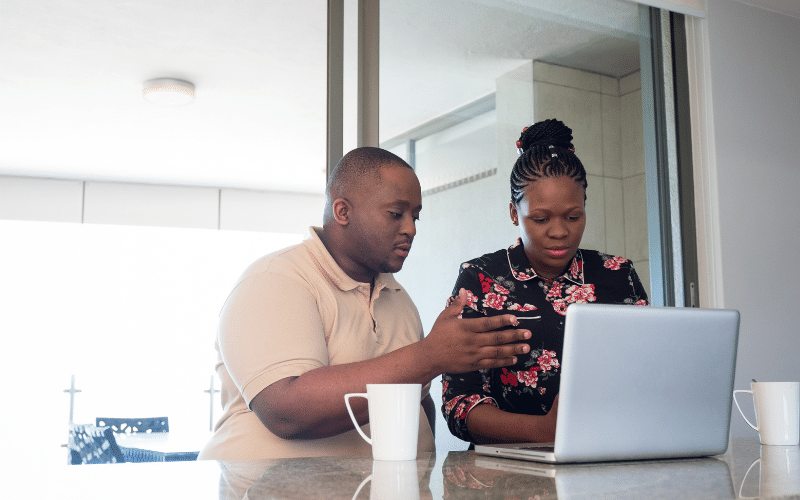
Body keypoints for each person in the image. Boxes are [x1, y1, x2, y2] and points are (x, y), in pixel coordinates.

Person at [199, 147, 532, 460]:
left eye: (416, 216)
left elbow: (417, 402)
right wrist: (430, 355)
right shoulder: (276, 278)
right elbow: (285, 411)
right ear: (343, 211)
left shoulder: (399, 299)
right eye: (395, 213)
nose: (411, 229)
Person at [441, 119, 649, 445]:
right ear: (514, 213)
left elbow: (648, 376)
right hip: (506, 477)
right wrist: (543, 431)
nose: (559, 232)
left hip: (606, 458)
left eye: (573, 216)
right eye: (540, 219)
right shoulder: (479, 279)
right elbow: (459, 403)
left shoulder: (618, 274)